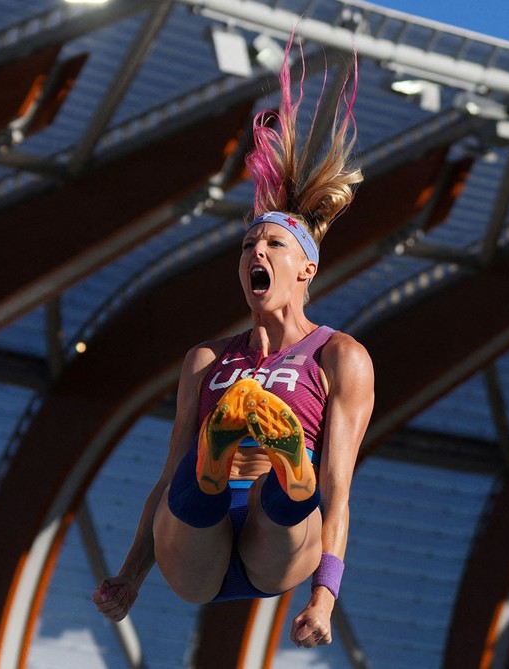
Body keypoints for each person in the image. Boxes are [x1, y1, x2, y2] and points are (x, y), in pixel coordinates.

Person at [93, 35, 375, 649]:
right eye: (247, 246)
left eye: (272, 245)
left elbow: (340, 488)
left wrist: (323, 600)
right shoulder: (207, 359)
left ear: (305, 269)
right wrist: (130, 576)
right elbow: (164, 476)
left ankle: (272, 455)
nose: (255, 252)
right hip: (197, 547)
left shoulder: (338, 356)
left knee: (294, 488)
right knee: (190, 479)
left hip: (280, 544)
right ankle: (221, 452)